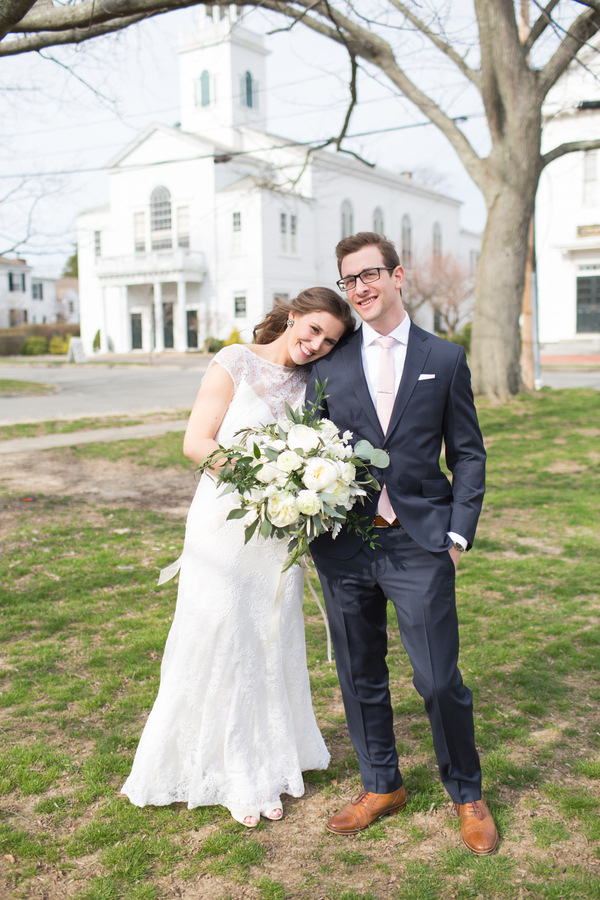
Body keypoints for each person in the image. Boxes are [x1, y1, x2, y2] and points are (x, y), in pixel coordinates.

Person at [122, 288, 354, 828]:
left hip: (279, 532)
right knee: (221, 633)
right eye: (313, 330)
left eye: (329, 341)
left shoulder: (313, 382)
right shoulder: (234, 361)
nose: (317, 345)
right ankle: (223, 768)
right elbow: (196, 442)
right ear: (293, 317)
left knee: (269, 639)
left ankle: (267, 761)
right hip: (225, 524)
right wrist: (264, 480)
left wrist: (298, 487)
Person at [306, 233, 498, 855]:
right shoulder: (330, 363)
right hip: (345, 544)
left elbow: (467, 453)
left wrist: (457, 533)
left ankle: (466, 792)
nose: (359, 288)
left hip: (420, 542)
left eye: (369, 275)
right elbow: (309, 448)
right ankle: (380, 785)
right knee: (360, 673)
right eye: (349, 280)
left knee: (439, 679)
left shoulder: (445, 357)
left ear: (397, 275)